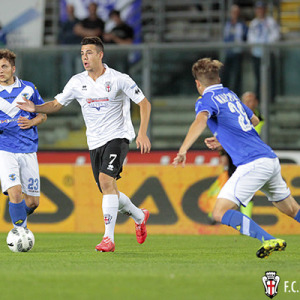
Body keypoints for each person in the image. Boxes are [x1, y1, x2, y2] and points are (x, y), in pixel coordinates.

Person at [17, 36, 151, 253]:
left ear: (100, 54)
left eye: (89, 53)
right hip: (94, 142)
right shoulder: (77, 81)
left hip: (118, 137)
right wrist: (36, 108)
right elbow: (57, 104)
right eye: (82, 54)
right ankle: (139, 215)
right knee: (109, 190)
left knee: (106, 181)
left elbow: (144, 103)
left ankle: (108, 239)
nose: (84, 58)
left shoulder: (119, 79)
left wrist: (142, 133)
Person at [173, 58, 300, 258]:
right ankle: (268, 239)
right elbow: (254, 120)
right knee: (292, 208)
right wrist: (224, 140)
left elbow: (200, 121)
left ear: (198, 83)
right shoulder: (230, 95)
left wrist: (183, 149)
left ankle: (268, 239)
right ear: (218, 78)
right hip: (269, 158)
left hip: (252, 163)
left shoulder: (206, 99)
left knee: (220, 212)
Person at [0, 49, 47, 228]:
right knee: (16, 192)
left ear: (13, 69)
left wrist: (32, 121)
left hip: (28, 148)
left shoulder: (28, 88)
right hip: (4, 148)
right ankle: (20, 231)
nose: (0, 70)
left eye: (4, 66)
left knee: (33, 202)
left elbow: (43, 115)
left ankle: (17, 216)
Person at [247, 1, 280, 100]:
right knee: (258, 77)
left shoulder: (271, 22)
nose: (260, 11)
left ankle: (271, 99)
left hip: (269, 53)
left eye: (261, 8)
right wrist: (257, 44)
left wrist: (265, 43)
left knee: (270, 77)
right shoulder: (254, 23)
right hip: (257, 53)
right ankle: (259, 99)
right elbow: (250, 38)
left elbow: (276, 35)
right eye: (258, 9)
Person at [222, 4, 248, 97]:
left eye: (236, 12)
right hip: (228, 53)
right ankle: (224, 95)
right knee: (225, 75)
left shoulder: (242, 25)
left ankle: (236, 95)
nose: (234, 14)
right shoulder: (227, 24)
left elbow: (245, 37)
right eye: (233, 12)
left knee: (237, 75)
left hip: (237, 53)